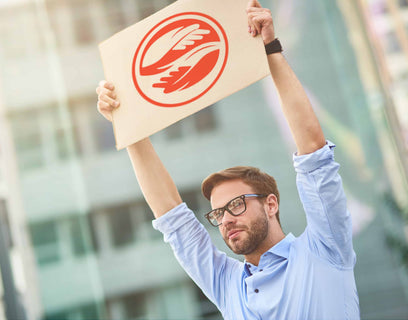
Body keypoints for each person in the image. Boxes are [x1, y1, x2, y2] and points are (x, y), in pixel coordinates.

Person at [96, 0, 360, 319]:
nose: (226, 220)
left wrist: (270, 48)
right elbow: (172, 218)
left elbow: (313, 151)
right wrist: (128, 124)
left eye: (235, 205)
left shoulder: (324, 249)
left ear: (271, 204)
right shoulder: (226, 284)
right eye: (219, 214)